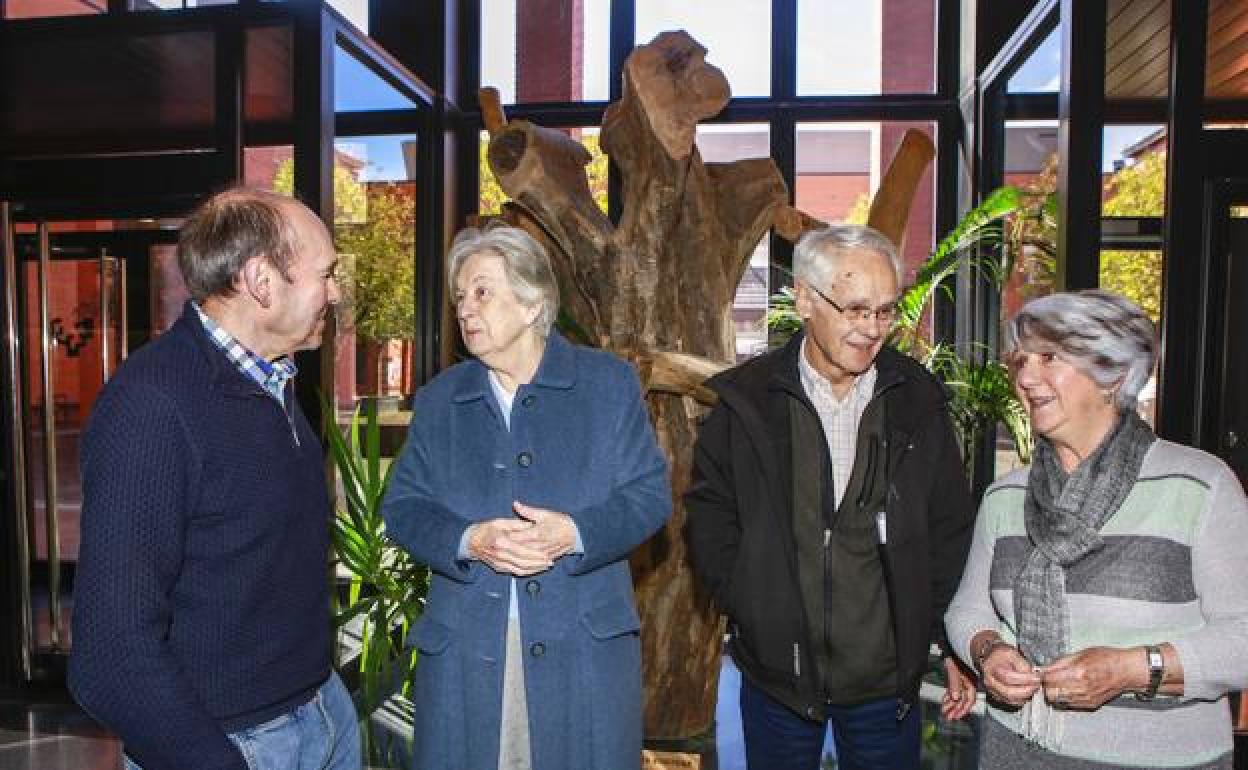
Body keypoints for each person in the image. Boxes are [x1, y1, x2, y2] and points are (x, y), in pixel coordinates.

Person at [68, 188, 360, 770]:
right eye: (324, 274)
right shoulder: (151, 406)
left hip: (322, 716)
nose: (334, 291)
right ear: (260, 281)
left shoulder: (276, 381)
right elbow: (109, 656)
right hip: (233, 746)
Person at [380, 223, 671, 770]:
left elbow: (649, 495)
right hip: (469, 650)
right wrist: (468, 540)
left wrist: (576, 533)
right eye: (460, 296)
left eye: (482, 291)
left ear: (534, 302)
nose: (466, 308)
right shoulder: (442, 400)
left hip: (582, 648)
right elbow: (403, 508)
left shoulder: (608, 385)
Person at [686, 224, 977, 770]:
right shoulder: (746, 400)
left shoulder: (917, 400)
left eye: (886, 311)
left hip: (885, 685)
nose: (873, 329)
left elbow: (948, 530)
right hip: (778, 679)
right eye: (855, 308)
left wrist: (944, 637)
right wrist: (751, 605)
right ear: (803, 299)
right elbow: (710, 517)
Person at [945, 290, 1248, 769]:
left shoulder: (1199, 486)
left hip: (1163, 760)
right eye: (1020, 360)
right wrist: (990, 652)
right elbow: (968, 609)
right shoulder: (1004, 496)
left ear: (1114, 376)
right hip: (1014, 750)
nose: (1025, 377)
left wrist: (1131, 669)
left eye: (1050, 357)